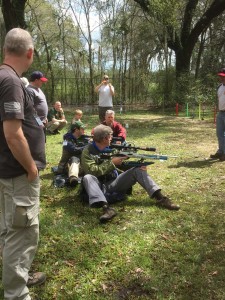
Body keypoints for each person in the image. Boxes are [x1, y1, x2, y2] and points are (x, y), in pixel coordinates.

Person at [0, 28, 46, 300]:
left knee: (9, 230)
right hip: (18, 173)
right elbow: (13, 134)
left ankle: (20, 274)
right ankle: (17, 293)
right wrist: (31, 167)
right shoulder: (11, 82)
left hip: (7, 172)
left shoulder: (5, 78)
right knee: (22, 233)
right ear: (29, 53)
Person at [81, 124, 180, 223]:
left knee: (137, 170)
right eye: (110, 136)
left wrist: (137, 165)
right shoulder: (87, 151)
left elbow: (121, 165)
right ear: (104, 139)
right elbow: (91, 170)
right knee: (88, 177)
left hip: (112, 183)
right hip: (96, 186)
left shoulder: (112, 149)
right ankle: (107, 209)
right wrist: (112, 163)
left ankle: (161, 198)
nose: (111, 138)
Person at [57, 121, 89, 186]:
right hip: (66, 167)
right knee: (74, 158)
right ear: (76, 130)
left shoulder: (82, 138)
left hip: (80, 165)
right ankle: (73, 177)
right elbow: (74, 150)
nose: (84, 130)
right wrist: (87, 146)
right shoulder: (66, 141)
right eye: (82, 129)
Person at [210, 68, 225, 161]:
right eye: (220, 76)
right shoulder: (219, 87)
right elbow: (219, 99)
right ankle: (220, 152)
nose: (221, 78)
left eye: (223, 76)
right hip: (221, 113)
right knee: (219, 134)